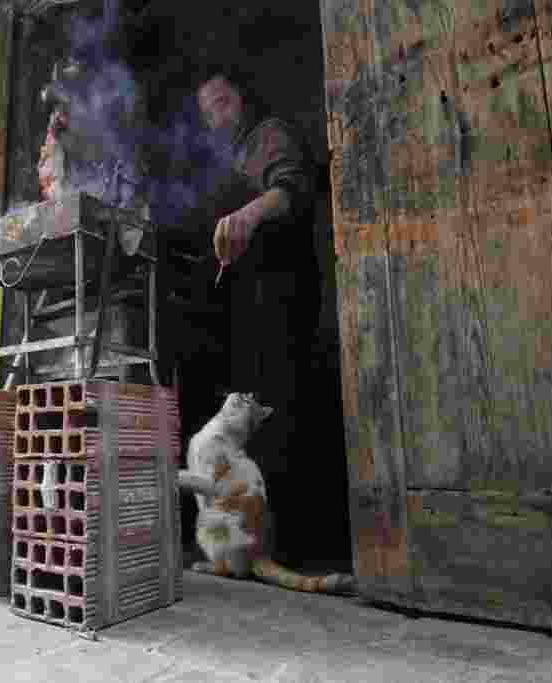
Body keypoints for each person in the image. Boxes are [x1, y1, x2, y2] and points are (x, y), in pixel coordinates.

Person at [192, 65, 324, 566]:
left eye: (222, 102)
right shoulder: (226, 162)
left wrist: (247, 215)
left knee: (280, 401)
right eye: (207, 112)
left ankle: (287, 547)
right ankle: (252, 547)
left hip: (284, 288)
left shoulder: (269, 137)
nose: (216, 117)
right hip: (251, 297)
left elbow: (289, 188)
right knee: (253, 414)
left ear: (243, 101)